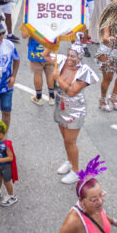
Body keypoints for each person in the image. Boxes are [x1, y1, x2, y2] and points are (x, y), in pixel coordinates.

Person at [41, 41, 100, 185]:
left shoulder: (84, 71)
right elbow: (45, 55)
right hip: (60, 105)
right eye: (69, 55)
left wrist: (57, 79)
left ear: (80, 58)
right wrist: (51, 41)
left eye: (74, 57)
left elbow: (72, 91)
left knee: (70, 141)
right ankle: (69, 161)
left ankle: (76, 171)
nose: (70, 59)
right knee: (64, 137)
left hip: (74, 109)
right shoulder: (61, 61)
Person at [50, 156, 117, 233]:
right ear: (81, 200)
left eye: (101, 195)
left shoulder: (95, 207)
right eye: (94, 199)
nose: (100, 201)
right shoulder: (73, 224)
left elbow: (103, 215)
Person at [95, 2, 117, 112]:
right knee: (108, 78)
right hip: (107, 53)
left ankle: (113, 97)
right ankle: (102, 100)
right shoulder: (107, 23)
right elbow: (105, 36)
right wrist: (107, 39)